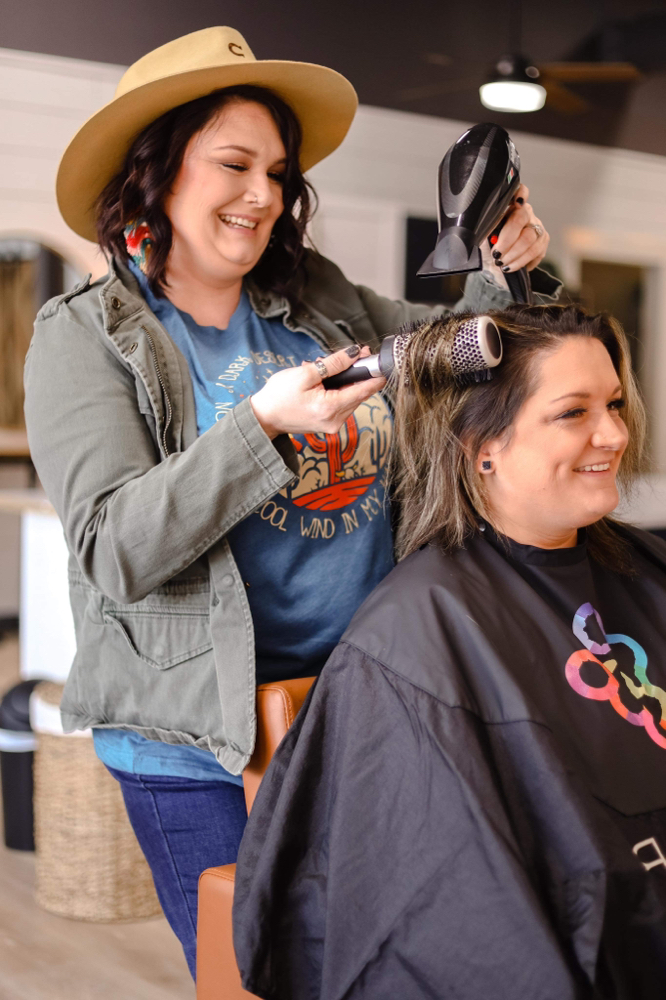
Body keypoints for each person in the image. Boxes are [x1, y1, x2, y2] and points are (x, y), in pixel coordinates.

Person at [23, 26, 555, 979]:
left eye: (278, 170)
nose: (264, 194)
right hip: (198, 746)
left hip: (356, 707)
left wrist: (505, 271)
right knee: (261, 976)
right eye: (234, 163)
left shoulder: (319, 298)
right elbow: (115, 547)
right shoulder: (84, 337)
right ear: (157, 172)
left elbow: (460, 355)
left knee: (381, 963)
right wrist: (261, 428)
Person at [233, 304, 666, 999]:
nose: (615, 433)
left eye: (614, 403)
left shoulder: (645, 570)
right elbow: (458, 921)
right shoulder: (416, 638)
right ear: (480, 447)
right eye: (573, 412)